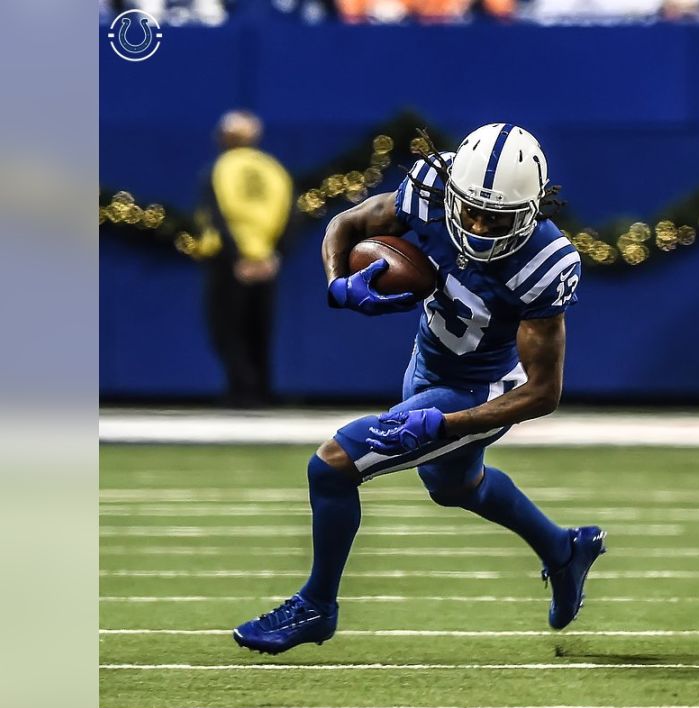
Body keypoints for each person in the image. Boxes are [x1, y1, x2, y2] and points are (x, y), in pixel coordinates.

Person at [232, 123, 606, 655]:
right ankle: (563, 550)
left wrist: (445, 422)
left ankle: (317, 605)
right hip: (428, 360)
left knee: (333, 465)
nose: (475, 224)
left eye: (493, 216)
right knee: (454, 486)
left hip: (482, 387)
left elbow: (543, 392)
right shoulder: (431, 186)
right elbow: (347, 222)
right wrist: (339, 284)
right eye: (469, 208)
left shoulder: (545, 263)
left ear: (531, 210)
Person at [194, 110, 293, 408]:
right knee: (259, 328)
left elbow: (218, 215)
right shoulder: (273, 168)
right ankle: (261, 389)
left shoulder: (221, 168)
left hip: (230, 261)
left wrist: (238, 257)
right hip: (266, 259)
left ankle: (241, 391)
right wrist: (275, 255)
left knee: (227, 327)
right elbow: (291, 214)